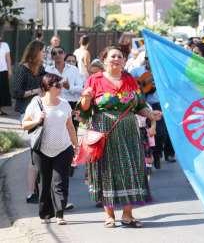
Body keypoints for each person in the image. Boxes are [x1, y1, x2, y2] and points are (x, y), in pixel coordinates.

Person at [79, 46, 162, 228]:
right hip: (104, 132)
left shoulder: (130, 80)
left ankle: (127, 214)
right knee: (106, 171)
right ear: (105, 60)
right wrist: (85, 98)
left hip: (129, 132)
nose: (117, 59)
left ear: (124, 61)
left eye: (120, 56)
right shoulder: (95, 79)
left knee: (130, 169)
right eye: (113, 56)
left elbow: (139, 105)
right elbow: (84, 109)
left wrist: (150, 114)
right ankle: (109, 215)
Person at [22, 73, 78, 225]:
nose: (60, 88)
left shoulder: (65, 104)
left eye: (60, 85)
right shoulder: (36, 103)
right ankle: (46, 214)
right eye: (57, 85)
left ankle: (60, 214)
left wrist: (76, 145)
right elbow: (24, 124)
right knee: (44, 182)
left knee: (60, 181)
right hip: (41, 150)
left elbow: (70, 126)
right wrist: (37, 119)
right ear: (47, 87)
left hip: (63, 148)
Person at [11, 40, 46, 204]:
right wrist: (35, 91)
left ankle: (41, 188)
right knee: (35, 149)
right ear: (35, 53)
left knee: (41, 150)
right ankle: (31, 192)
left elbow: (46, 88)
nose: (45, 54)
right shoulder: (22, 69)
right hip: (27, 113)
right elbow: (16, 93)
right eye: (43, 51)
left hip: (42, 111)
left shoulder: (41, 69)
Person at [130, 56, 176, 169]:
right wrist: (139, 86)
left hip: (159, 104)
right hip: (142, 105)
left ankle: (157, 153)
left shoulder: (162, 71)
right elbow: (129, 82)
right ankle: (150, 154)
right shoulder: (137, 70)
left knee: (161, 132)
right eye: (147, 58)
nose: (148, 60)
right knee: (145, 133)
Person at [46, 47, 83, 132]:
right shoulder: (48, 70)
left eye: (60, 52)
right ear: (52, 57)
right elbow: (44, 89)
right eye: (54, 53)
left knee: (72, 132)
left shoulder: (74, 69)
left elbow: (81, 89)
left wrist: (69, 87)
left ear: (64, 54)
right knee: (55, 132)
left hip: (71, 104)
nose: (57, 55)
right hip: (54, 104)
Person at [0, 36, 12, 115]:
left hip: (3, 71)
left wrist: (9, 70)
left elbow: (8, 58)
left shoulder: (5, 45)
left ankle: (0, 109)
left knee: (2, 91)